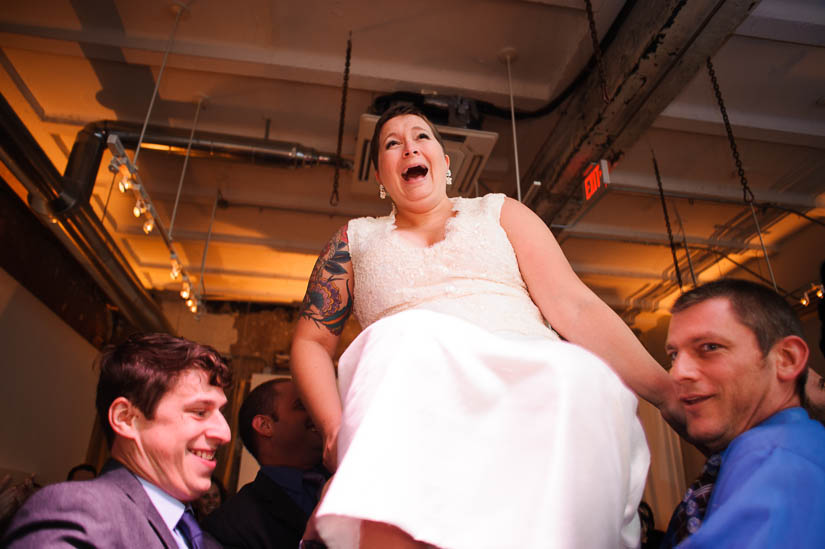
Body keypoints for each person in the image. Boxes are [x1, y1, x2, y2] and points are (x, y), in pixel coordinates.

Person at [290, 104, 680, 549]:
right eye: (392, 144)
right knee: (404, 339)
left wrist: (667, 395)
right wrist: (334, 427)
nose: (409, 148)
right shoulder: (353, 240)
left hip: (524, 377)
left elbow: (574, 307)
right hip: (415, 392)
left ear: (445, 161)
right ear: (379, 175)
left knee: (582, 374)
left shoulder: (500, 213)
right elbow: (311, 341)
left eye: (421, 137)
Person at [2, 333, 231, 548]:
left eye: (220, 412)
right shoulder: (80, 510)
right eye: (200, 412)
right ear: (126, 418)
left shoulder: (202, 539)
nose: (225, 433)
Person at [660, 279, 825, 547]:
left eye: (710, 347)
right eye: (674, 355)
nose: (678, 373)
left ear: (787, 359)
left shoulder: (778, 463)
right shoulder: (775, 447)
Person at [204, 378, 326, 548]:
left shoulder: (353, 473)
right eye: (302, 405)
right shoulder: (232, 525)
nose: (318, 412)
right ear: (265, 425)